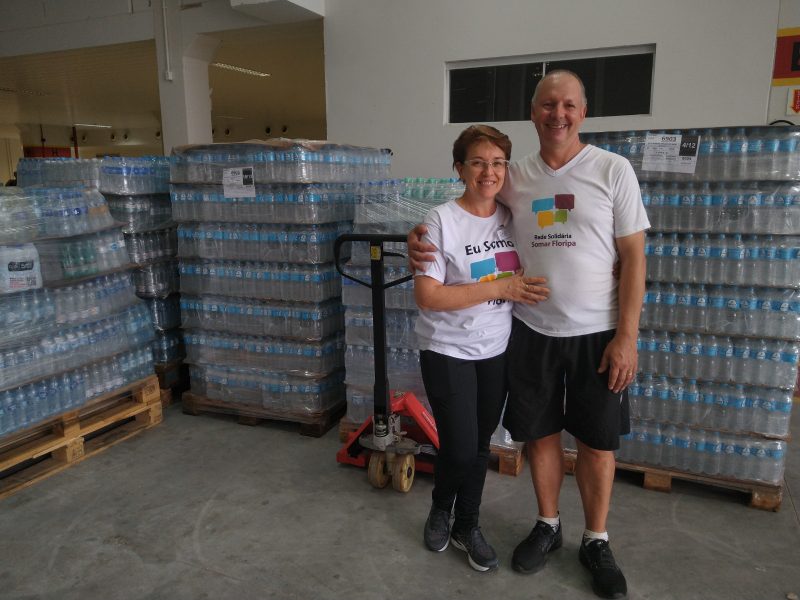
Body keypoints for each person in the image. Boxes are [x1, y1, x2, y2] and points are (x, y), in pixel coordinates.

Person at [409, 71, 648, 599]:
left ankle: (596, 538)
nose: (557, 114)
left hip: (597, 333)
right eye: (546, 105)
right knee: (539, 434)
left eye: (568, 105)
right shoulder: (515, 174)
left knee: (596, 442)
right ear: (533, 112)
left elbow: (634, 256)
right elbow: (470, 203)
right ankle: (547, 524)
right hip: (532, 331)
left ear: (583, 111)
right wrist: (417, 238)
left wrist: (627, 336)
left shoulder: (613, 170)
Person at [414, 124, 549, 573]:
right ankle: (439, 507)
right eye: (477, 162)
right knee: (457, 447)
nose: (488, 172)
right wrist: (504, 287)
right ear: (459, 168)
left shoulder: (515, 216)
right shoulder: (440, 221)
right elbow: (429, 295)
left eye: (497, 163)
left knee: (478, 447)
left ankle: (466, 525)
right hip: (447, 348)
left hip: (496, 349)